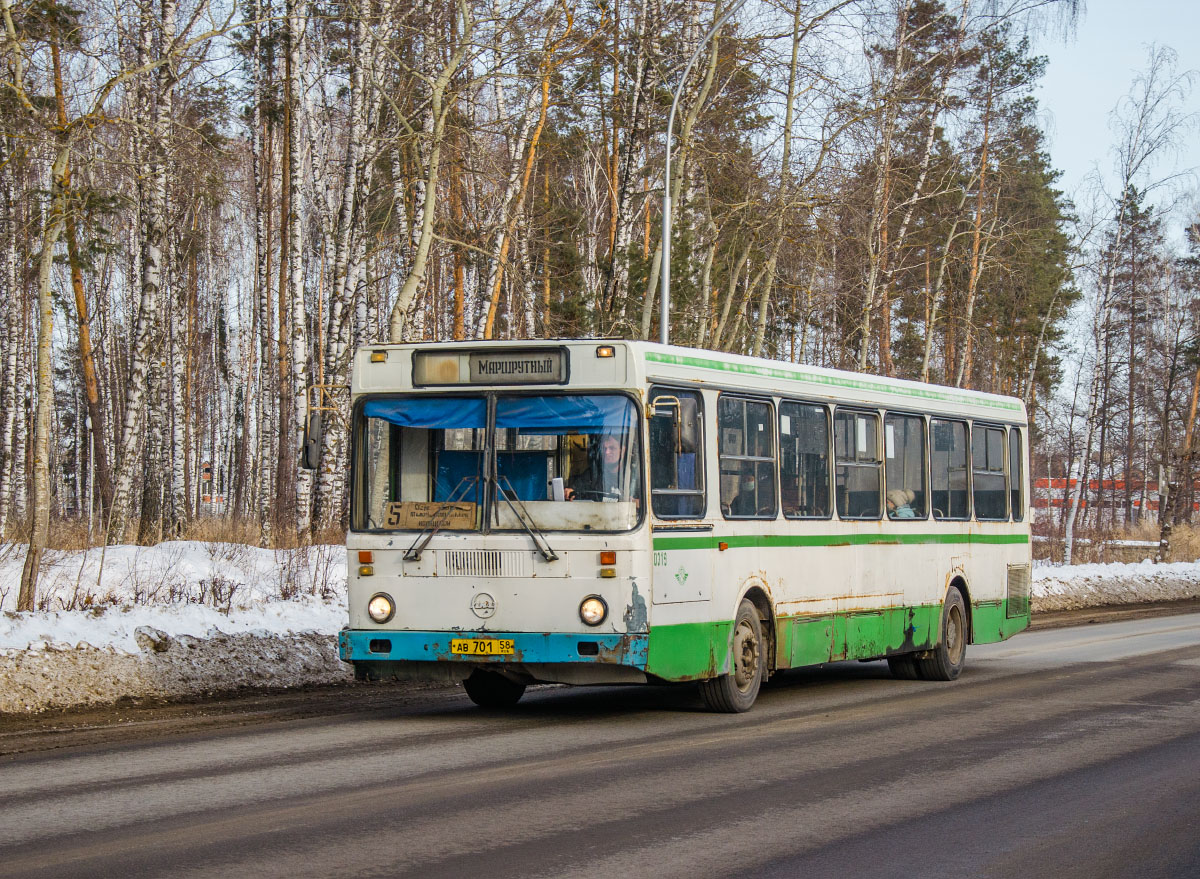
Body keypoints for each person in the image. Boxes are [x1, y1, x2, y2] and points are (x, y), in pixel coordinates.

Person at [566, 434, 627, 500]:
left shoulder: (632, 477)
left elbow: (638, 501)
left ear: (622, 451)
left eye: (612, 448)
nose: (607, 452)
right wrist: (569, 491)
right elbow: (574, 489)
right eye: (604, 448)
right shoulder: (593, 474)